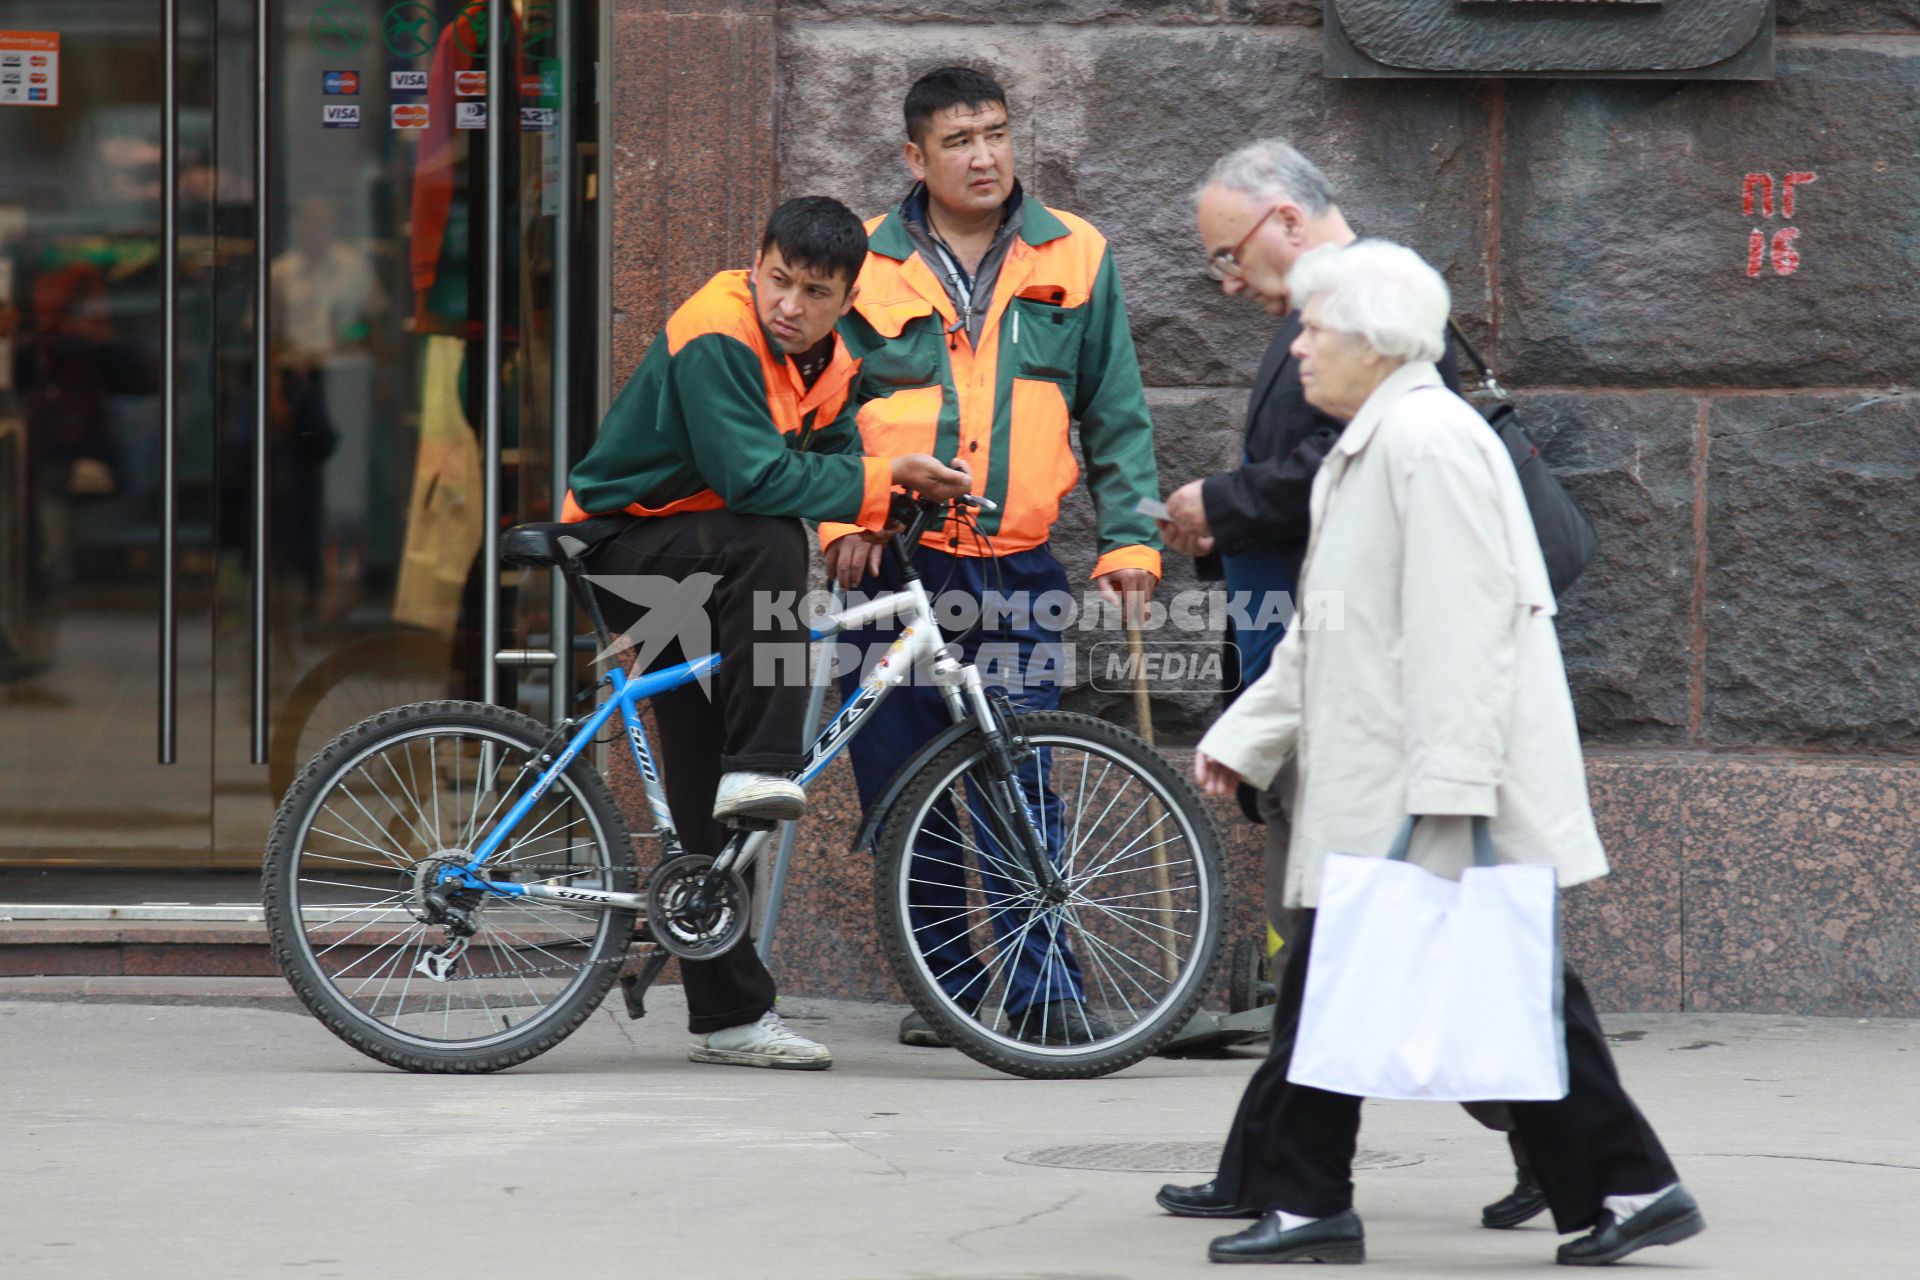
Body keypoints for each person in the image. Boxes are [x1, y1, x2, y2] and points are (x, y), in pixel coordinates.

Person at [1168, 240, 1703, 1266]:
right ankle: (1612, 1185)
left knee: (1450, 991)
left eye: (1315, 331)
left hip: (1426, 788)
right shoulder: (1382, 438)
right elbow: (1329, 627)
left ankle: (1324, 1199)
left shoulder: (1427, 441)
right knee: (1400, 989)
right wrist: (1249, 734)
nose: (1300, 350)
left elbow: (1467, 628)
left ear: (1374, 338)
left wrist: (1450, 796)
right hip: (1392, 783)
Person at [1162, 138, 1540, 1230]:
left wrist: (1218, 503)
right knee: (1327, 932)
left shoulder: (1374, 318)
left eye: (1229, 254)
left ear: (1283, 217)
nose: (1227, 281)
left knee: (1357, 942)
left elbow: (1328, 486)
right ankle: (1271, 1171)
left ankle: (1575, 1153)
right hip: (1318, 665)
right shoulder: (1325, 313)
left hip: (1371, 699)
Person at [563, 196, 971, 1069]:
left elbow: (824, 462)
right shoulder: (717, 328)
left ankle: (729, 1018)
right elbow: (753, 476)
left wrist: (886, 499)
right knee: (769, 538)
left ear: (844, 297)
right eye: (777, 279)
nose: (788, 304)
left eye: (813, 292)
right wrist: (876, 479)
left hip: (696, 563)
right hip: (624, 542)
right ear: (757, 263)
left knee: (714, 796)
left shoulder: (827, 362)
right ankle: (766, 763)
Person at [820, 65, 1163, 1048]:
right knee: (900, 787)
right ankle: (948, 989)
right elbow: (821, 411)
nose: (984, 155)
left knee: (1019, 773)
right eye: (960, 140)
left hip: (1016, 567)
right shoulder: (866, 262)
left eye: (996, 133)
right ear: (914, 156)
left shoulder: (1076, 252)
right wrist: (840, 516)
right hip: (894, 567)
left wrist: (1131, 536)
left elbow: (1119, 412)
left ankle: (1047, 990)